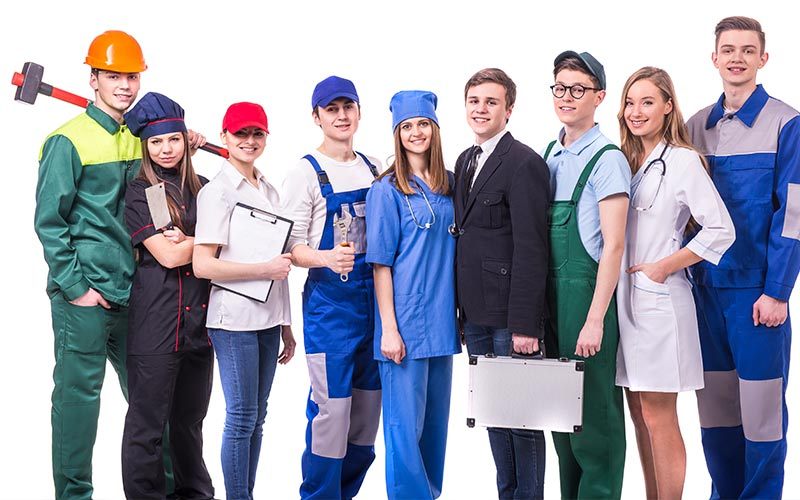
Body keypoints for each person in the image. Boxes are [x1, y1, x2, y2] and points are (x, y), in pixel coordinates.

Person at [686, 16, 800, 499]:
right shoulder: (694, 127)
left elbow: (793, 216)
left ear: (763, 58)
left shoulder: (786, 123)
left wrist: (778, 292)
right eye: (728, 50)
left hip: (756, 297)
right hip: (703, 295)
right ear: (714, 58)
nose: (737, 58)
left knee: (761, 418)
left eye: (748, 50)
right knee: (716, 419)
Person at [33, 30, 149, 499]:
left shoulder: (140, 139)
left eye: (131, 77)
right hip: (85, 297)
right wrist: (76, 287)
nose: (124, 85)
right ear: (93, 78)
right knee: (78, 403)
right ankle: (74, 495)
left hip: (137, 294)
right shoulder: (67, 141)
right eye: (114, 76)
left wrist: (181, 141)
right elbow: (49, 222)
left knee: (151, 402)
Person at [615, 67, 735, 500]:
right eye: (630, 102)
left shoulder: (682, 161)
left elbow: (720, 229)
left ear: (668, 107)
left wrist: (665, 266)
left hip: (660, 305)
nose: (636, 111)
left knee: (658, 415)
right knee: (638, 414)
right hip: (626, 304)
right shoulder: (626, 160)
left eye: (647, 102)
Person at [282, 75, 382, 499]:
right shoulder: (304, 173)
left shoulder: (374, 168)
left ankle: (346, 493)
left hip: (376, 306)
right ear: (317, 117)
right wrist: (325, 258)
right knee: (332, 414)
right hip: (331, 310)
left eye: (348, 107)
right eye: (332, 109)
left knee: (366, 415)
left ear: (359, 111)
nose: (341, 116)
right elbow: (290, 246)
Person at [453, 68, 550, 499]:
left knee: (522, 420)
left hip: (512, 317)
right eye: (474, 101)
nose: (481, 109)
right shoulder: (465, 160)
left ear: (508, 110)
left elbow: (532, 247)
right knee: (494, 413)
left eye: (491, 102)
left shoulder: (524, 162)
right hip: (475, 314)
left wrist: (526, 325)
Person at [192, 101, 296, 499]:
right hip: (233, 320)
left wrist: (286, 324)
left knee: (258, 417)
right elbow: (203, 265)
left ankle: (244, 493)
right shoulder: (216, 193)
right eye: (240, 133)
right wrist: (263, 269)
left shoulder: (268, 189)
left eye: (257, 134)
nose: (249, 141)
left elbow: (279, 261)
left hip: (268, 319)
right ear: (224, 137)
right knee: (240, 417)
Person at [542, 51, 630, 499]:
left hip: (588, 301)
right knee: (561, 419)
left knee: (595, 419)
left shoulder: (607, 158)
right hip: (552, 303)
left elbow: (614, 246)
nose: (567, 97)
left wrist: (595, 319)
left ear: (599, 96)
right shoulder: (550, 154)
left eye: (578, 89)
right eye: (560, 88)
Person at [366, 90, 460, 499]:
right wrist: (389, 329)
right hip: (403, 324)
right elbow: (380, 265)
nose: (416, 132)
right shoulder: (386, 190)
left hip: (442, 323)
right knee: (404, 431)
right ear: (397, 134)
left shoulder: (451, 184)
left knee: (435, 430)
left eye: (423, 124)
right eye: (407, 126)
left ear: (435, 129)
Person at [121, 92, 215, 499]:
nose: (165, 149)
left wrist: (193, 240)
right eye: (156, 142)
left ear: (186, 139)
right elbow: (170, 255)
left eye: (174, 139)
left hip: (200, 326)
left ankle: (195, 493)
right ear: (145, 146)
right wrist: (207, 242)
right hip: (157, 324)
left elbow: (238, 240)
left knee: (189, 424)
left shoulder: (206, 188)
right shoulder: (144, 191)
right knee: (147, 427)